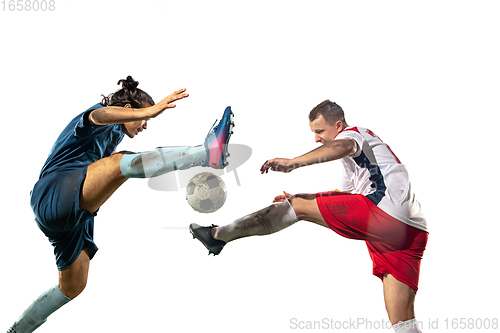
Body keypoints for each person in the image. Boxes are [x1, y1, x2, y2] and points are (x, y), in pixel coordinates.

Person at [7, 76, 234, 333]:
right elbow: (100, 116)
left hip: (71, 219)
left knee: (73, 287)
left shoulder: (114, 134)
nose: (146, 125)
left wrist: (144, 114)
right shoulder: (97, 120)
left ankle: (17, 330)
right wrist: (152, 109)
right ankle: (206, 153)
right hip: (55, 192)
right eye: (143, 119)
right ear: (128, 109)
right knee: (119, 164)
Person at [190, 100, 427, 333]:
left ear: (338, 124)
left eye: (320, 131)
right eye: (314, 133)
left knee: (297, 207)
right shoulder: (362, 157)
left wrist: (294, 164)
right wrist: (302, 197)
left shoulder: (354, 134)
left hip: (386, 213)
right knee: (403, 323)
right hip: (411, 231)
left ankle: (217, 236)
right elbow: (342, 195)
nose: (317, 138)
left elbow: (343, 146)